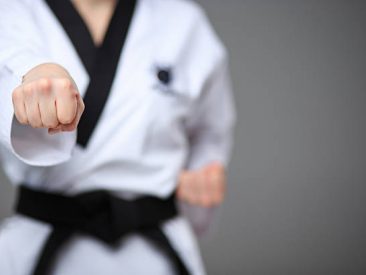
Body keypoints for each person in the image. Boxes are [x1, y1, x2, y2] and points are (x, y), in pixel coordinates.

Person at [0, 0, 235, 274]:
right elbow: (9, 74)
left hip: (156, 255)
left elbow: (209, 135)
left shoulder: (183, 21)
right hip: (41, 250)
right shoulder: (12, 10)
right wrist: (35, 76)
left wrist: (202, 176)